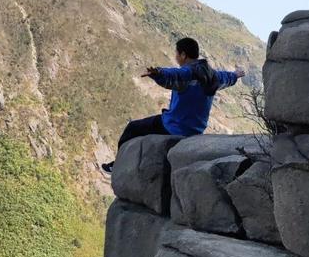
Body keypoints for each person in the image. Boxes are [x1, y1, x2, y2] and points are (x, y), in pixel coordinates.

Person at [101, 37, 245, 173]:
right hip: (196, 130)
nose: (176, 57)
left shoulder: (187, 74)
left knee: (132, 128)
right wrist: (237, 74)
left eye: (177, 53)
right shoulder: (214, 76)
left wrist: (157, 73)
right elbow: (228, 77)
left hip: (174, 127)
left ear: (183, 55)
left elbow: (173, 75)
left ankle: (117, 165)